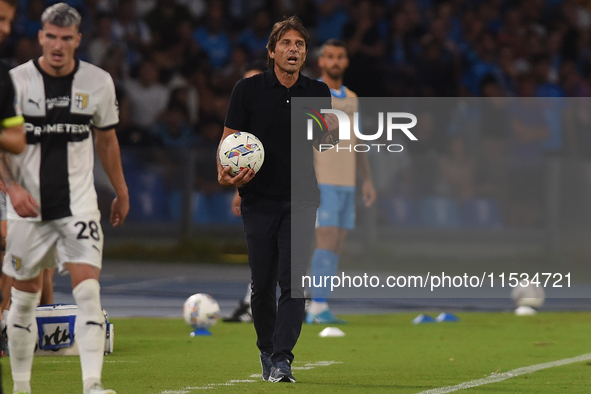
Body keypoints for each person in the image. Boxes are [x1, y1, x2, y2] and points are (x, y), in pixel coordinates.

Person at [0, 4, 129, 394]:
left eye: (66, 38)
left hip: (79, 205)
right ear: (40, 36)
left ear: (78, 40)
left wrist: (121, 189)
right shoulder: (15, 81)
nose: (57, 45)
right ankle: (22, 388)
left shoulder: (99, 82)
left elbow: (106, 138)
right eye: (51, 36)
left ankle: (92, 384)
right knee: (22, 303)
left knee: (88, 290)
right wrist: (12, 188)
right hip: (29, 209)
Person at [218, 16, 337, 383]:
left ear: (305, 54)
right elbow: (228, 142)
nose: (293, 49)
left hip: (302, 199)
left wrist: (328, 129)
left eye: (299, 45)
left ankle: (283, 358)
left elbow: (326, 144)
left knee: (294, 280)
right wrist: (224, 173)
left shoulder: (317, 92)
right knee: (262, 283)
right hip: (257, 200)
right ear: (272, 51)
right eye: (286, 43)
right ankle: (266, 350)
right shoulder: (247, 90)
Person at [305, 39, 376, 324]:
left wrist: (367, 180)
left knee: (337, 243)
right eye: (330, 57)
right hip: (323, 180)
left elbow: (357, 142)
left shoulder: (352, 98)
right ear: (321, 62)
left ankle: (321, 305)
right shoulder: (312, 95)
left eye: (340, 56)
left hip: (347, 182)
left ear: (346, 62)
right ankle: (314, 307)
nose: (335, 61)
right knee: (326, 238)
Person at [224, 59, 268, 324]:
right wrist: (238, 190)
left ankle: (252, 303)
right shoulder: (243, 127)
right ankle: (252, 302)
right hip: (259, 191)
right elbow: (236, 161)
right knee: (265, 250)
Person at [0, 0, 28, 364]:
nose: (5, 29)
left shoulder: (4, 77)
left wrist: (10, 182)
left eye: (8, 21)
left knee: (7, 245)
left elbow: (17, 138)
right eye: (0, 20)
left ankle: (4, 324)